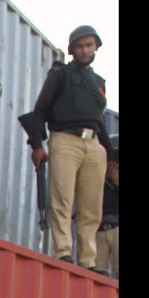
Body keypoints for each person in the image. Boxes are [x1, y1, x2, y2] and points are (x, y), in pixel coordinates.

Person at [27, 25, 112, 276]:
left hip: (93, 144)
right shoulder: (60, 74)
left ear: (96, 46)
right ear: (72, 50)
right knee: (62, 199)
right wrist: (37, 145)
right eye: (80, 46)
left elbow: (100, 121)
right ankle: (63, 250)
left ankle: (88, 260)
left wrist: (110, 154)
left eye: (89, 45)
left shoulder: (99, 83)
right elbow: (39, 110)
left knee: (91, 208)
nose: (85, 50)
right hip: (65, 139)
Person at [95, 134, 119, 278]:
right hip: (99, 229)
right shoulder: (95, 171)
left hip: (117, 228)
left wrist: (114, 176)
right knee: (98, 279)